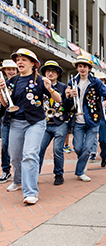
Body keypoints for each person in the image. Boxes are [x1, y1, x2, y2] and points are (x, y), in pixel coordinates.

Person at [0, 48, 61, 205]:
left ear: (33, 64)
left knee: (30, 155)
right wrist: (1, 91)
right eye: (18, 59)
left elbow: (59, 99)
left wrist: (50, 89)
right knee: (14, 156)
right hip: (15, 122)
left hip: (35, 122)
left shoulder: (40, 80)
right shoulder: (12, 81)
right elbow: (5, 104)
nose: (19, 62)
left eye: (23, 59)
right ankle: (18, 180)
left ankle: (31, 192)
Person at [68, 56, 106, 182]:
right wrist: (68, 94)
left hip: (93, 120)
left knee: (88, 147)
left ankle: (80, 171)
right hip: (77, 120)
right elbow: (66, 98)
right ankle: (83, 164)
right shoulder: (72, 81)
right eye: (80, 66)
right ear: (77, 68)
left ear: (89, 68)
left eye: (84, 66)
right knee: (78, 148)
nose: (82, 69)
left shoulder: (96, 82)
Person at [38, 61, 73, 185]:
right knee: (40, 149)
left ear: (58, 74)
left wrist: (69, 98)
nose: (50, 73)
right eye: (48, 71)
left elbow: (69, 107)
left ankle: (59, 174)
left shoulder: (64, 87)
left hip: (60, 123)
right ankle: (34, 174)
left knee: (58, 150)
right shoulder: (39, 86)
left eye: (53, 71)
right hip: (45, 123)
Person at [89, 72, 106, 167]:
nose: (100, 81)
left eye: (102, 80)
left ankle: (104, 156)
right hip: (93, 117)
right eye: (98, 79)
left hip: (104, 118)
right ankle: (92, 153)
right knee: (90, 137)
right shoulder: (91, 89)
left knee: (103, 140)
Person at [0, 59, 18, 183]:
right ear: (5, 71)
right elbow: (4, 104)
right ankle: (6, 170)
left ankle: (19, 172)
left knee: (18, 147)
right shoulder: (3, 83)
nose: (11, 71)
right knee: (5, 145)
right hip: (6, 118)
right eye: (8, 69)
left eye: (13, 69)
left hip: (20, 118)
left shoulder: (22, 82)